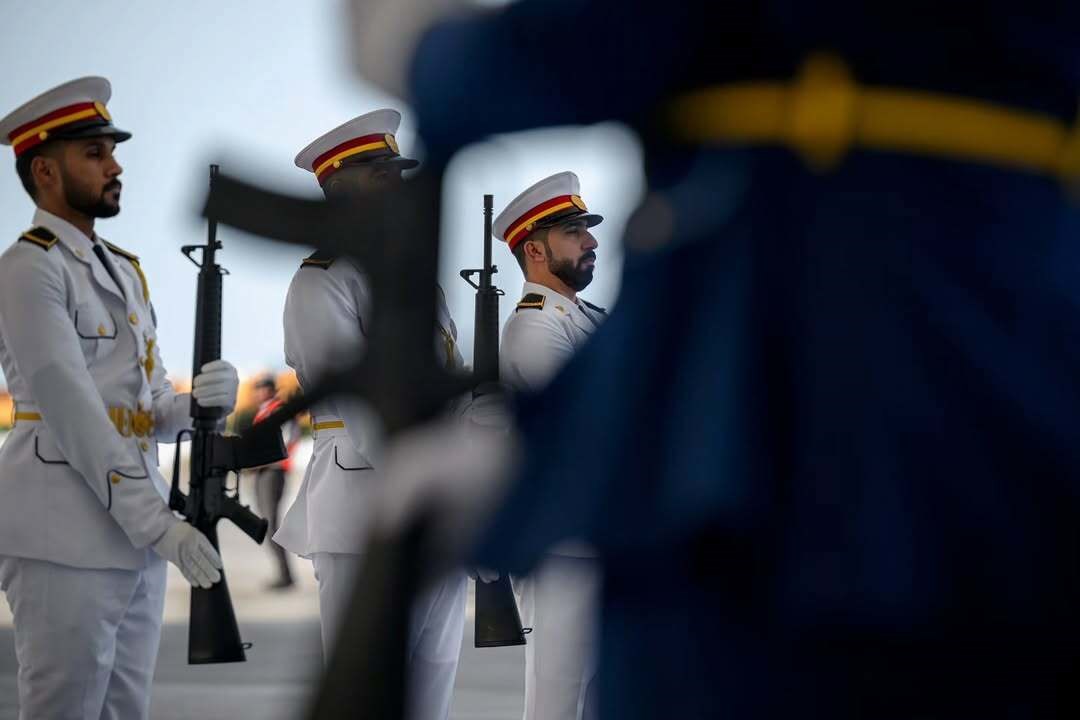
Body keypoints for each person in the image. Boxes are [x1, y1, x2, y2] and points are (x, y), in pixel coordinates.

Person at [349, 2, 1080, 717]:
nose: (589, 243)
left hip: (749, 490)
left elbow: (549, 58)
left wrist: (417, 47)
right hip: (1029, 424)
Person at [0, 77, 239, 719]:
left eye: (112, 151)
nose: (115, 166)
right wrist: (158, 525)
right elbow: (73, 413)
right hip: (61, 532)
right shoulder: (28, 269)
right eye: (95, 153)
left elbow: (147, 406)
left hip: (133, 535)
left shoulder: (123, 268)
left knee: (124, 709)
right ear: (45, 171)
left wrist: (200, 403)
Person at [274, 108, 468, 720]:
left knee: (429, 696)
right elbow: (357, 407)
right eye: (382, 175)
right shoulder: (321, 282)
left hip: (429, 500)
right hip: (364, 510)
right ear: (341, 189)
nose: (399, 187)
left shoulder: (414, 282)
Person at [494, 171, 605, 720]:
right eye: (574, 233)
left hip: (597, 538)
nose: (591, 241)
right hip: (561, 550)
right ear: (535, 251)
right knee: (558, 700)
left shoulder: (585, 318)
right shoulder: (534, 328)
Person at [251, 374, 299, 590]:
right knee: (266, 522)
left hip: (273, 471)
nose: (260, 392)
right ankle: (283, 573)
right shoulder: (263, 411)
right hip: (262, 472)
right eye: (258, 388)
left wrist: (266, 459)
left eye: (264, 388)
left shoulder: (277, 410)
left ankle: (285, 575)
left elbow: (289, 438)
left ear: (272, 390)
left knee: (270, 523)